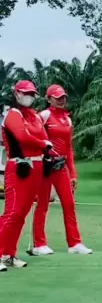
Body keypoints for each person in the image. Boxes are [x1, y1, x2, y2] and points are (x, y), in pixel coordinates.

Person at [31, 85, 92, 256]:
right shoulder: (44, 115)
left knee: (69, 203)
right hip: (45, 166)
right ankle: (39, 244)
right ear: (49, 99)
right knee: (43, 204)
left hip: (61, 166)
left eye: (63, 97)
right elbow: (33, 137)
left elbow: (69, 148)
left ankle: (74, 243)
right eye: (57, 97)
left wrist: (73, 173)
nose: (61, 100)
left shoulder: (67, 120)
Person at [0, 81, 53, 271]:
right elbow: (22, 136)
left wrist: (47, 150)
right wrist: (43, 144)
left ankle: (8, 254)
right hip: (19, 166)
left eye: (32, 94)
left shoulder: (34, 117)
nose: (29, 96)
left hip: (36, 166)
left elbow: (44, 138)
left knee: (21, 214)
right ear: (17, 94)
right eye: (26, 93)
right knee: (12, 213)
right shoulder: (13, 114)